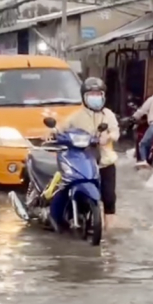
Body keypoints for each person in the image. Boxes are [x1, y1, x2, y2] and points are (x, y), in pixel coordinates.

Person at [55, 77, 120, 229]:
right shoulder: (76, 116)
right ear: (84, 97)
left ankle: (110, 233)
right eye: (92, 94)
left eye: (99, 94)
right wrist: (51, 132)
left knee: (109, 198)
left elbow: (116, 132)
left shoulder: (108, 115)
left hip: (105, 161)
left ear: (104, 96)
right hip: (83, 161)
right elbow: (61, 128)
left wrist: (108, 136)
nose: (95, 97)